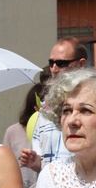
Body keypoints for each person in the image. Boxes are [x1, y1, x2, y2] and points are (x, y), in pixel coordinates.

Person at [19, 37, 87, 173]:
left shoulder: (95, 103)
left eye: (61, 63)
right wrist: (34, 162)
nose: (54, 69)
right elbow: (44, 161)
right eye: (51, 63)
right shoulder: (46, 109)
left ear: (81, 64)